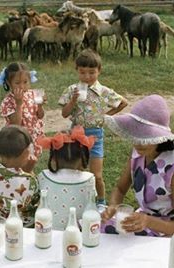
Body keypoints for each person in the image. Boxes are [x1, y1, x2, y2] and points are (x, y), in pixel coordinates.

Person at [101, 94, 174, 236]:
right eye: (136, 136)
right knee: (92, 226)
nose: (138, 143)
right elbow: (119, 189)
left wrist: (148, 221)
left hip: (165, 233)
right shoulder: (139, 153)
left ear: (160, 137)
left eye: (146, 137)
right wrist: (113, 206)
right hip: (141, 222)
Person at [59, 49, 127, 208]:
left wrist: (106, 117)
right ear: (76, 70)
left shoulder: (103, 91)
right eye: (82, 72)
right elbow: (64, 113)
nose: (87, 77)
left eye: (92, 72)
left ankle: (101, 202)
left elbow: (123, 102)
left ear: (99, 71)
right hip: (76, 135)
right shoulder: (72, 90)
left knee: (96, 175)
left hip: (95, 136)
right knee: (78, 172)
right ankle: (79, 200)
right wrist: (73, 101)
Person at [37, 126, 96, 230]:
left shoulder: (43, 176)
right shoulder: (89, 179)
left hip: (47, 233)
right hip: (78, 234)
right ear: (81, 157)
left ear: (54, 158)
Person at [0, 125, 40, 227]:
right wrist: (30, 172)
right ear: (25, 153)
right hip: (21, 225)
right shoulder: (29, 181)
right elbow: (37, 201)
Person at [0, 62, 46, 172]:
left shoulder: (32, 94)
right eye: (17, 83)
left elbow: (40, 116)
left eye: (25, 82)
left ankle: (28, 181)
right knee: (21, 167)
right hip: (18, 140)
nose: (22, 86)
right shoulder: (8, 101)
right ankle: (24, 183)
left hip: (33, 137)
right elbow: (16, 124)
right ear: (9, 83)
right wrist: (19, 103)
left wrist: (40, 106)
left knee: (31, 163)